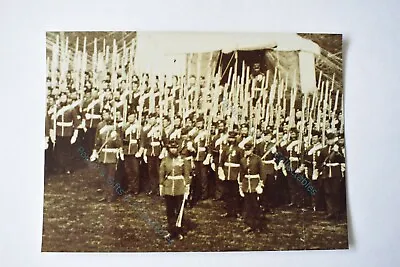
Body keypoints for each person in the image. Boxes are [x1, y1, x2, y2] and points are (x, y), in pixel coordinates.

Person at [159, 140, 191, 241]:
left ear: (178, 149)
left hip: (179, 187)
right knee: (170, 210)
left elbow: (186, 174)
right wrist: (161, 185)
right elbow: (161, 173)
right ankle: (171, 231)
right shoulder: (165, 160)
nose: (173, 150)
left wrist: (187, 186)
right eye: (171, 148)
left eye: (175, 148)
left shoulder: (183, 160)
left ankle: (179, 231)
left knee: (179, 210)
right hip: (168, 187)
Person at [318, 132, 346, 220]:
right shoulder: (323, 150)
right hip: (326, 173)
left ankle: (336, 212)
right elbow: (321, 162)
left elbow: (343, 160)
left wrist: (337, 153)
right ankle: (330, 212)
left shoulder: (338, 149)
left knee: (336, 192)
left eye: (331, 139)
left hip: (335, 172)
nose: (329, 141)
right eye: (328, 139)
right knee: (328, 193)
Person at [239, 141, 264, 233]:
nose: (247, 152)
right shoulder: (242, 160)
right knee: (247, 205)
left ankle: (257, 225)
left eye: (249, 150)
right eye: (246, 150)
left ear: (252, 150)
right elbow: (241, 173)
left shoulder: (257, 159)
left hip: (254, 183)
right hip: (246, 184)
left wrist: (260, 184)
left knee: (255, 205)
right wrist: (241, 185)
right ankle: (249, 224)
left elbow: (262, 172)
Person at [218, 131, 243, 218]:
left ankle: (236, 211)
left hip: (234, 174)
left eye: (233, 138)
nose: (231, 140)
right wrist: (220, 170)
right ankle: (228, 211)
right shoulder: (225, 149)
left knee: (235, 194)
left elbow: (242, 162)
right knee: (227, 193)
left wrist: (240, 174)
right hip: (226, 173)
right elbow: (221, 161)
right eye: (230, 138)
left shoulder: (239, 150)